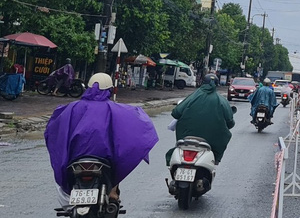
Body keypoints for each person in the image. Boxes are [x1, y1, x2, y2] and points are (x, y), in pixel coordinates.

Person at [44, 73, 158, 206]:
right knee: (117, 163)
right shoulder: (116, 109)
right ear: (109, 89)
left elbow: (53, 129)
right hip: (104, 158)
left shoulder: (71, 108)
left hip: (75, 158)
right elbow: (136, 125)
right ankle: (113, 193)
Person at [168, 73, 235, 165]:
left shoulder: (193, 96)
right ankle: (215, 160)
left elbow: (176, 113)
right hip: (211, 144)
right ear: (216, 85)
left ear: (203, 83)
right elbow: (230, 123)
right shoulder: (222, 100)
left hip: (186, 139)